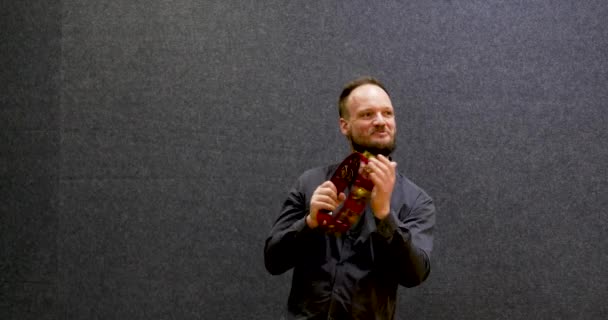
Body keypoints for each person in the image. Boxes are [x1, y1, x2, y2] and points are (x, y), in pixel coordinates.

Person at [264, 77, 436, 319]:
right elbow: (273, 261)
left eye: (387, 113)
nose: (380, 121)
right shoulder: (311, 183)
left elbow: (414, 275)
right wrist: (309, 222)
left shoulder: (417, 201)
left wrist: (385, 215)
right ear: (345, 126)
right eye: (367, 114)